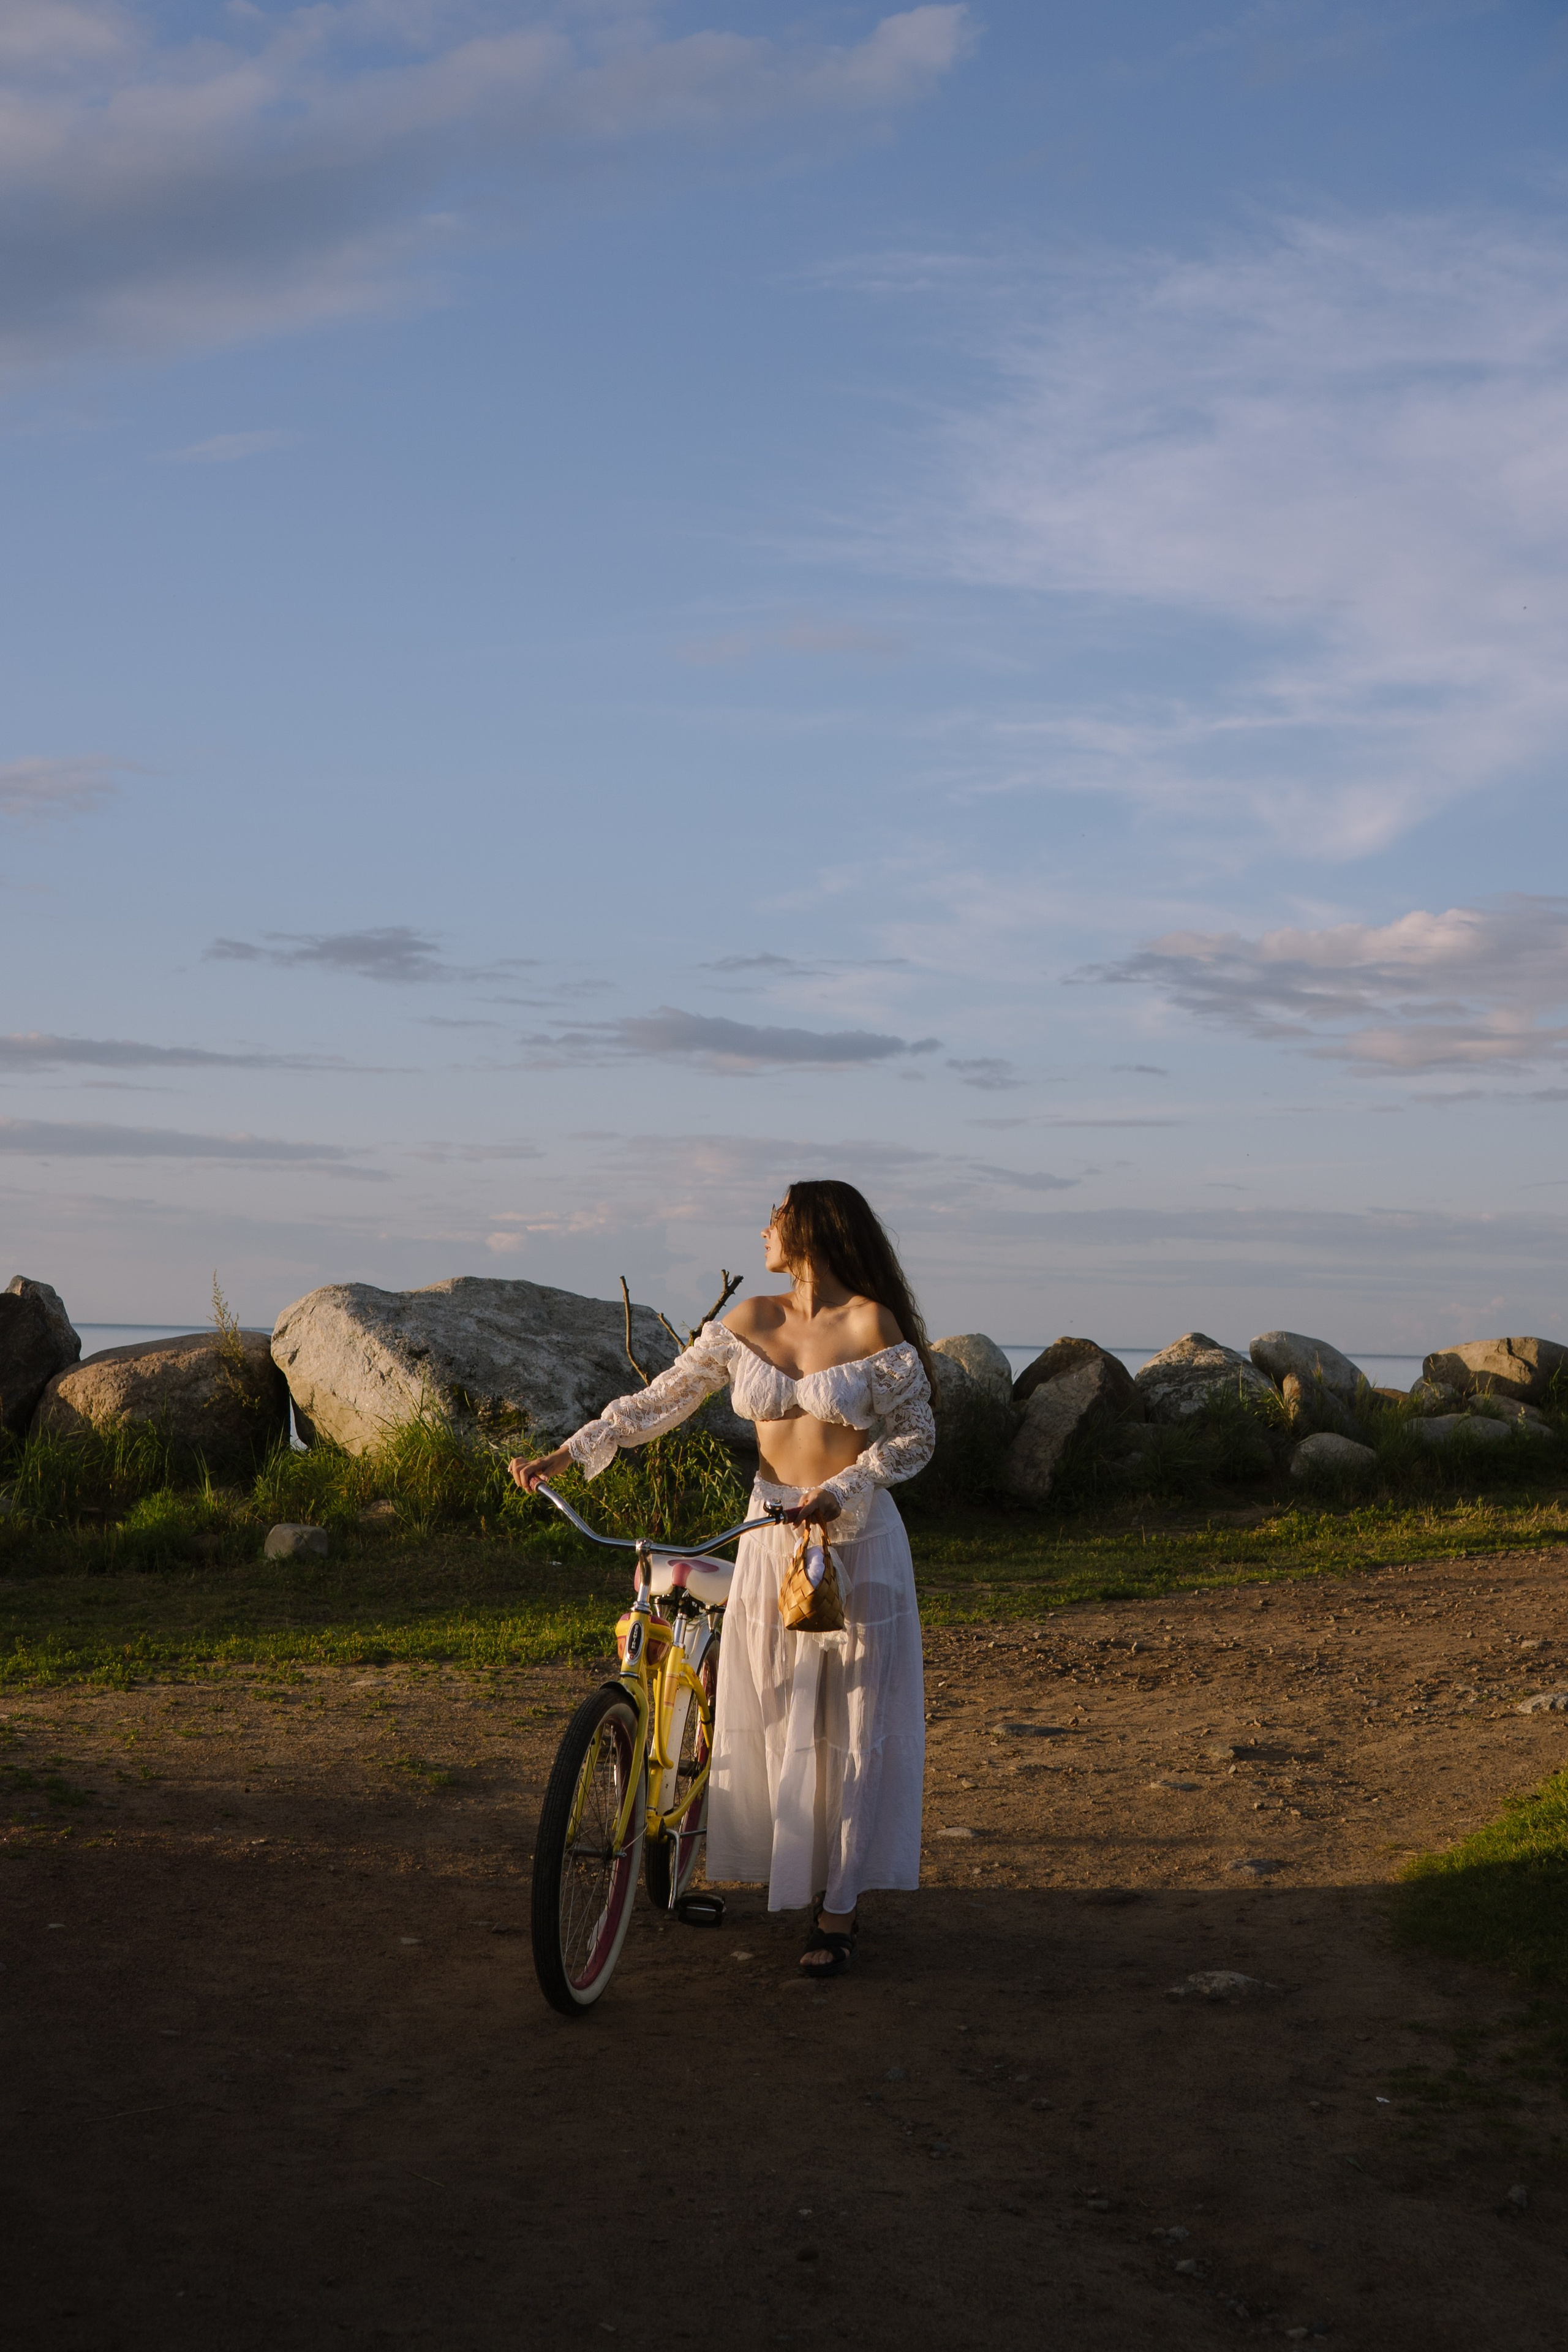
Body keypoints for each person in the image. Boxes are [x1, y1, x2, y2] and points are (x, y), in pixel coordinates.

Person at [510, 1178, 936, 1976]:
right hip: (769, 1536)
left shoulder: (871, 1324)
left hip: (858, 1541)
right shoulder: (748, 1321)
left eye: (777, 1220)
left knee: (855, 1725)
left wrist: (843, 1488)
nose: (765, 1233)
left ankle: (838, 1913)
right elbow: (656, 1402)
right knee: (769, 1706)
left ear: (811, 1231)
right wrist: (568, 1453)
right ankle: (792, 1867)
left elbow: (915, 1439)